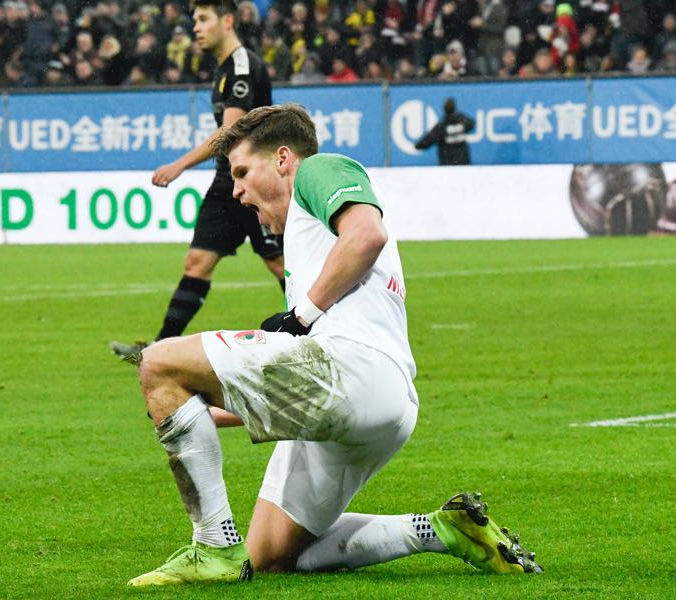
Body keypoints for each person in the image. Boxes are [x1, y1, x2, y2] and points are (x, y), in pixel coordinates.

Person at [127, 103, 542, 586]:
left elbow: (367, 235)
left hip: (349, 370)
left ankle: (213, 547)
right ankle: (441, 530)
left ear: (283, 158)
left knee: (157, 362)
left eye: (241, 172)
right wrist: (214, 411)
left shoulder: (320, 169)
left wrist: (300, 318)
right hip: (383, 402)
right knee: (270, 554)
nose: (236, 191)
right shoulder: (309, 243)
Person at [110, 0, 282, 360]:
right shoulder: (223, 68)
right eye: (195, 20)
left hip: (255, 181)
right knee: (197, 263)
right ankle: (156, 352)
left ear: (228, 21)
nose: (196, 28)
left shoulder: (242, 66)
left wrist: (179, 165)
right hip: (228, 180)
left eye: (203, 19)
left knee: (280, 264)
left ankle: (323, 332)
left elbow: (231, 130)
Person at [414, 97, 475, 166]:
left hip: (447, 164)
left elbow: (427, 141)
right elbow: (472, 123)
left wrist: (417, 146)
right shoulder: (463, 122)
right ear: (455, 108)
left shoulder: (441, 127)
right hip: (464, 163)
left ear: (444, 109)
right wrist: (459, 117)